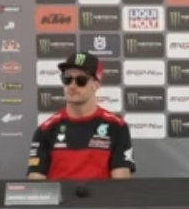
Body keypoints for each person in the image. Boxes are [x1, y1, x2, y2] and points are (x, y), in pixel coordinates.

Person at [28, 52, 135, 180]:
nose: (72, 86)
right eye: (67, 79)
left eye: (81, 80)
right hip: (61, 194)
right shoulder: (45, 130)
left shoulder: (117, 127)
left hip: (101, 194)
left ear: (96, 84)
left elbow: (121, 185)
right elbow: (36, 183)